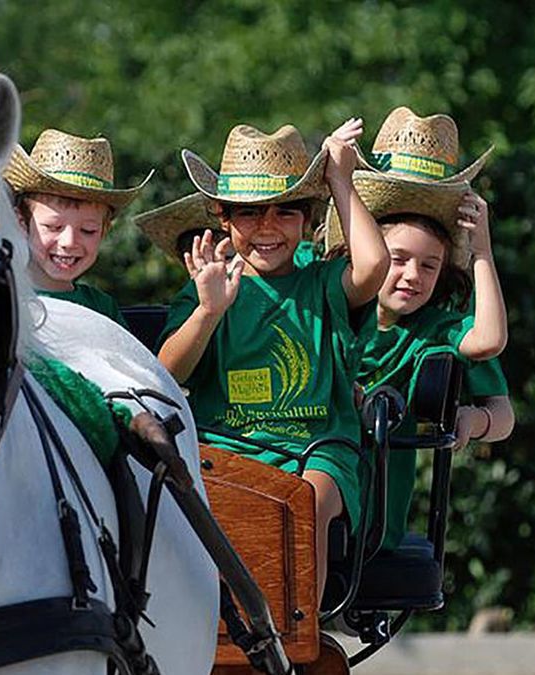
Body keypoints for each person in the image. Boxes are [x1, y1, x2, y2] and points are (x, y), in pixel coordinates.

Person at [154, 119, 388, 599]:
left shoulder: (321, 282)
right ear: (223, 217)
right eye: (250, 213)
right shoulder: (210, 285)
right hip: (226, 449)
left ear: (307, 218)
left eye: (285, 212)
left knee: (306, 499)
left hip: (314, 448)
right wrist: (207, 310)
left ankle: (298, 637)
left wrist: (339, 179)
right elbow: (166, 373)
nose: (267, 227)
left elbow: (374, 268)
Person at [323, 106, 513, 550]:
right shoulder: (327, 304)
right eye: (396, 259)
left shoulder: (436, 329)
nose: (412, 275)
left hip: (374, 521)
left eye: (429, 266)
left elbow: (489, 346)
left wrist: (481, 249)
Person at [4, 129, 151, 327]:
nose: (69, 242)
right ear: (21, 222)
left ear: (103, 231)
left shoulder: (102, 308)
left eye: (88, 230)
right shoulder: (3, 299)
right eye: (54, 227)